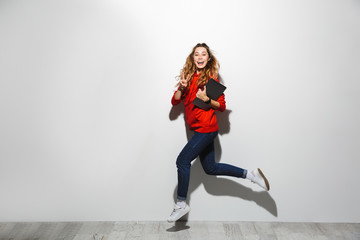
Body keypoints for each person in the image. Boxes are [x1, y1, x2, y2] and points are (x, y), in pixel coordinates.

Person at [168, 43, 270, 223]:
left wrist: (207, 99)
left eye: (203, 54)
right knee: (211, 168)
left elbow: (221, 106)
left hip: (207, 129)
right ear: (193, 59)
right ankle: (251, 175)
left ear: (208, 58)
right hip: (198, 130)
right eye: (197, 54)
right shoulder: (188, 78)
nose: (200, 57)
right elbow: (175, 101)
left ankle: (181, 203)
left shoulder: (212, 81)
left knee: (182, 161)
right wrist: (182, 88)